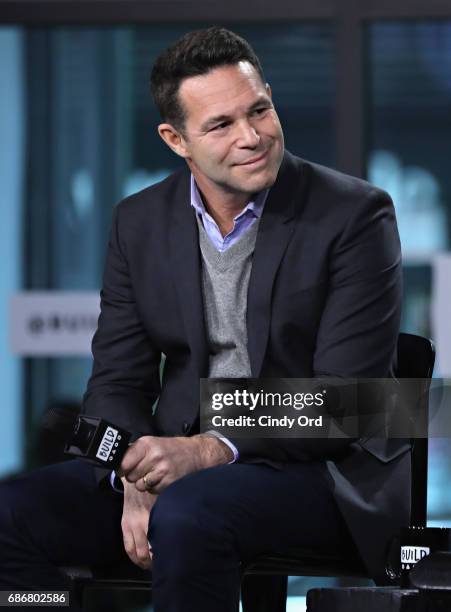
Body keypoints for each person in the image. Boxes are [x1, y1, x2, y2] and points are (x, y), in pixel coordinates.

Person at [0, 26, 407, 612]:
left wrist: (209, 449)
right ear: (176, 139)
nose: (252, 137)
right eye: (220, 125)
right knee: (12, 516)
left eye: (259, 110)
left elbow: (346, 402)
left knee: (191, 514)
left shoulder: (355, 215)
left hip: (324, 472)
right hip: (176, 470)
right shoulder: (138, 223)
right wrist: (132, 475)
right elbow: (116, 380)